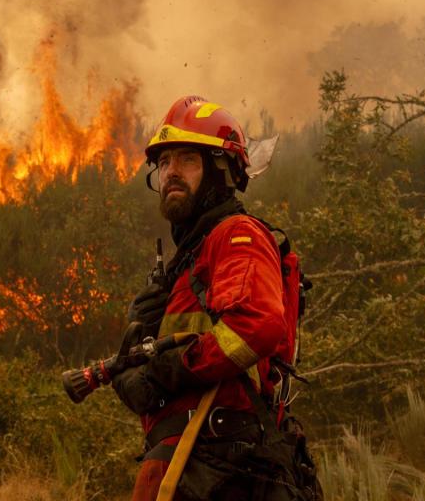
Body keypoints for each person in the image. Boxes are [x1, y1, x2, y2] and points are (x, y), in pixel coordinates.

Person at [112, 95, 319, 500]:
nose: (172, 172)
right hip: (187, 463)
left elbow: (255, 326)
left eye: (188, 159)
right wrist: (135, 357)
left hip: (225, 468)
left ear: (221, 171)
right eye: (165, 162)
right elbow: (166, 372)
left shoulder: (236, 233)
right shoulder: (190, 260)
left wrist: (167, 370)